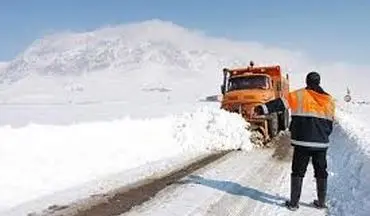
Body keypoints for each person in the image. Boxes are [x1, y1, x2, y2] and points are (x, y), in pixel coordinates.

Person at [253, 71, 335, 211]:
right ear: (319, 82)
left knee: (298, 172)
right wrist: (323, 135)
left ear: (307, 81)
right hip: (321, 144)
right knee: (321, 172)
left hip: (302, 143)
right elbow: (330, 123)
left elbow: (279, 104)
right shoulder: (329, 100)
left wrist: (262, 108)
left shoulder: (298, 95)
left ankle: (293, 204)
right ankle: (321, 203)